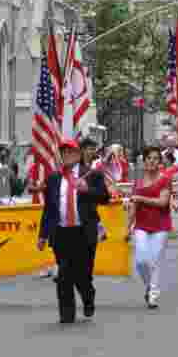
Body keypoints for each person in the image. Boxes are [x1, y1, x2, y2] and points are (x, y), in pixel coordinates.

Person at [37, 139, 109, 324]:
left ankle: (88, 296)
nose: (67, 155)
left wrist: (87, 190)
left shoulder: (91, 174)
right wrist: (43, 235)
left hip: (83, 231)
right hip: (61, 233)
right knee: (64, 274)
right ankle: (66, 314)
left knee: (83, 274)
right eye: (64, 153)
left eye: (71, 152)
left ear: (78, 154)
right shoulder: (54, 178)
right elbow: (49, 209)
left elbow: (104, 197)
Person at [127, 145, 172, 309]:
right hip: (141, 225)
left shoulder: (165, 179)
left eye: (156, 159)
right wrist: (127, 227)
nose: (152, 161)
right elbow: (133, 206)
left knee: (154, 261)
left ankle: (153, 294)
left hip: (160, 225)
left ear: (160, 162)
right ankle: (149, 285)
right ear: (144, 161)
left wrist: (140, 198)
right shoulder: (138, 182)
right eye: (149, 158)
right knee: (140, 261)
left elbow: (163, 202)